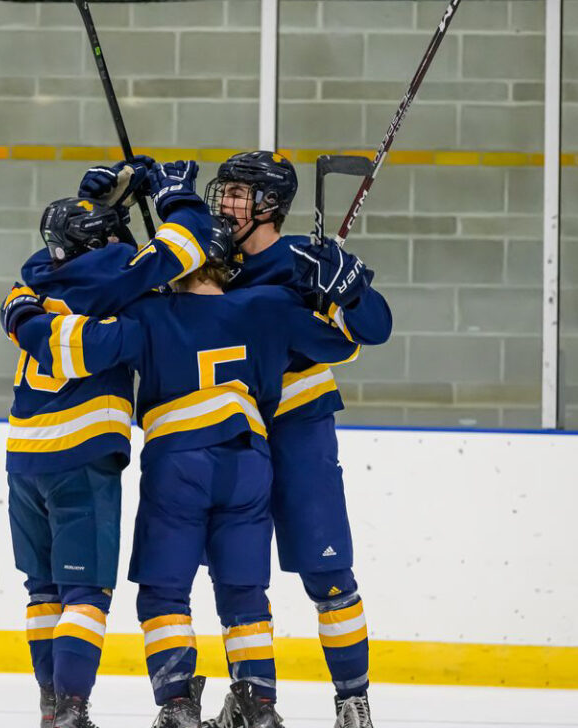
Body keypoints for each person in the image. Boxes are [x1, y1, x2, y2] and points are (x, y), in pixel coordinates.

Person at [3, 179, 373, 727]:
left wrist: (22, 303)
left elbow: (82, 284)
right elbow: (346, 341)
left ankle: (177, 703)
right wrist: (337, 293)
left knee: (163, 593)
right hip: (251, 460)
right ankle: (259, 703)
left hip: (177, 461)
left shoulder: (144, 312)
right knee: (245, 592)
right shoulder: (268, 304)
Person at [6, 157, 211, 728]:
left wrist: (104, 205)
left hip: (23, 458)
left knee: (43, 591)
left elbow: (79, 249)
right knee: (86, 592)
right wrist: (174, 194)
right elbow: (186, 247)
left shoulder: (36, 277)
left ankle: (52, 707)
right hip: (82, 452)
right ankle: (72, 709)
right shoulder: (116, 271)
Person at [203, 151, 393, 728]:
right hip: (233, 433)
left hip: (300, 429)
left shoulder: (305, 263)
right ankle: (252, 700)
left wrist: (352, 290)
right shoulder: (213, 259)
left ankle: (352, 700)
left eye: (240, 193)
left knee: (328, 571)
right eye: (227, 191)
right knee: (238, 576)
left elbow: (376, 329)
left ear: (271, 205)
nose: (227, 202)